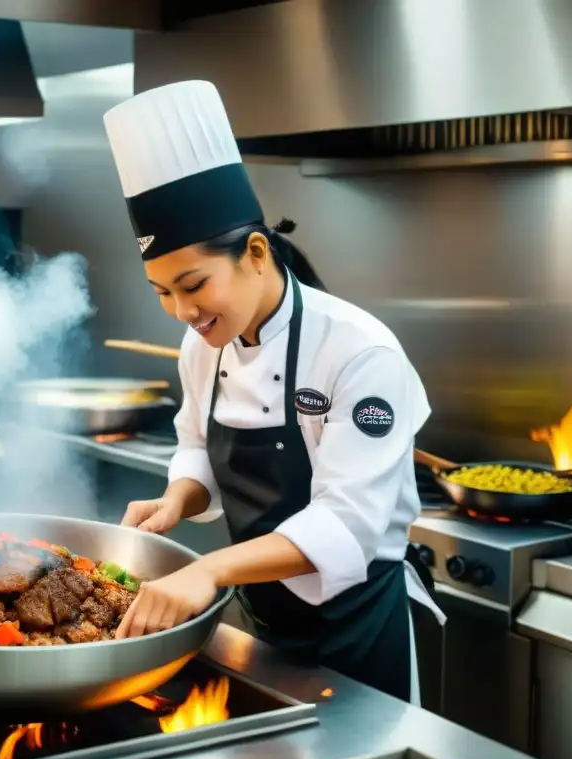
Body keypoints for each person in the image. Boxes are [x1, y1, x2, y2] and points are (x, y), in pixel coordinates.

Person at [102, 81, 444, 705]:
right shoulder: (203, 343)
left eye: (193, 284)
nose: (181, 311)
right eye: (162, 293)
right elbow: (200, 446)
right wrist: (178, 498)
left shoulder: (360, 353)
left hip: (358, 632)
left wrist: (208, 569)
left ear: (255, 253)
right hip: (263, 625)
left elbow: (346, 524)